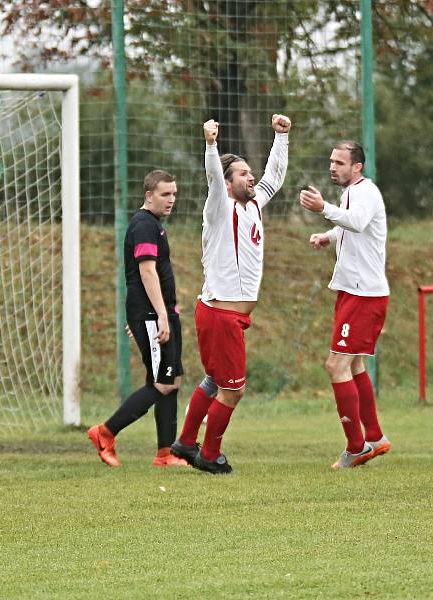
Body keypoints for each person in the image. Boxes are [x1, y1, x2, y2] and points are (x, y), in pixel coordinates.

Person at [171, 114, 292, 474]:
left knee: (214, 380)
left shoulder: (253, 204)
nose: (250, 177)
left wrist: (281, 137)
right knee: (233, 390)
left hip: (223, 314)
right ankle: (209, 455)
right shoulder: (220, 207)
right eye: (242, 174)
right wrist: (211, 145)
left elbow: (274, 178)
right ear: (227, 182)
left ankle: (186, 441)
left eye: (249, 172)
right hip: (221, 315)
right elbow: (212, 177)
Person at [299, 141, 391, 469]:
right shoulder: (353, 192)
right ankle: (375, 437)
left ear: (357, 167)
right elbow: (350, 225)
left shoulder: (363, 192)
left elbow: (358, 222)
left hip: (364, 294)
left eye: (340, 162)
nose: (333, 167)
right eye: (331, 161)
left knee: (335, 365)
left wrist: (323, 208)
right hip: (355, 292)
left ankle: (356, 447)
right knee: (353, 366)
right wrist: (329, 235)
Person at [87, 170, 188, 468]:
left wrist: (169, 310)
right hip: (152, 313)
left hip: (159, 312)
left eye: (174, 194)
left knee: (171, 379)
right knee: (163, 383)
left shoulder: (153, 224)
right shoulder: (144, 225)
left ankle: (165, 454)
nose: (171, 200)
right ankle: (105, 433)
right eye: (164, 194)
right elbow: (146, 272)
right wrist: (159, 316)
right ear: (148, 195)